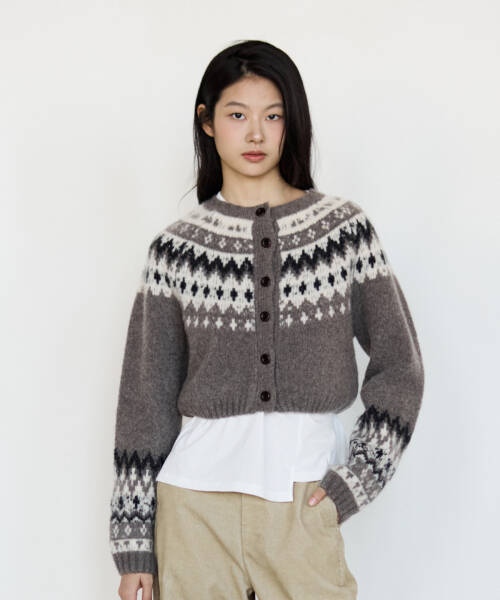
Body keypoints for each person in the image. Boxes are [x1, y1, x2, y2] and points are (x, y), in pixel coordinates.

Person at [109, 40, 425, 600]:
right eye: (237, 115)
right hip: (193, 507)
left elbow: (401, 365)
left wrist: (358, 478)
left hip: (303, 502)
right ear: (207, 122)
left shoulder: (342, 232)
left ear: (291, 124)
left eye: (273, 116)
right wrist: (134, 538)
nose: (255, 134)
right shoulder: (175, 251)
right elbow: (145, 397)